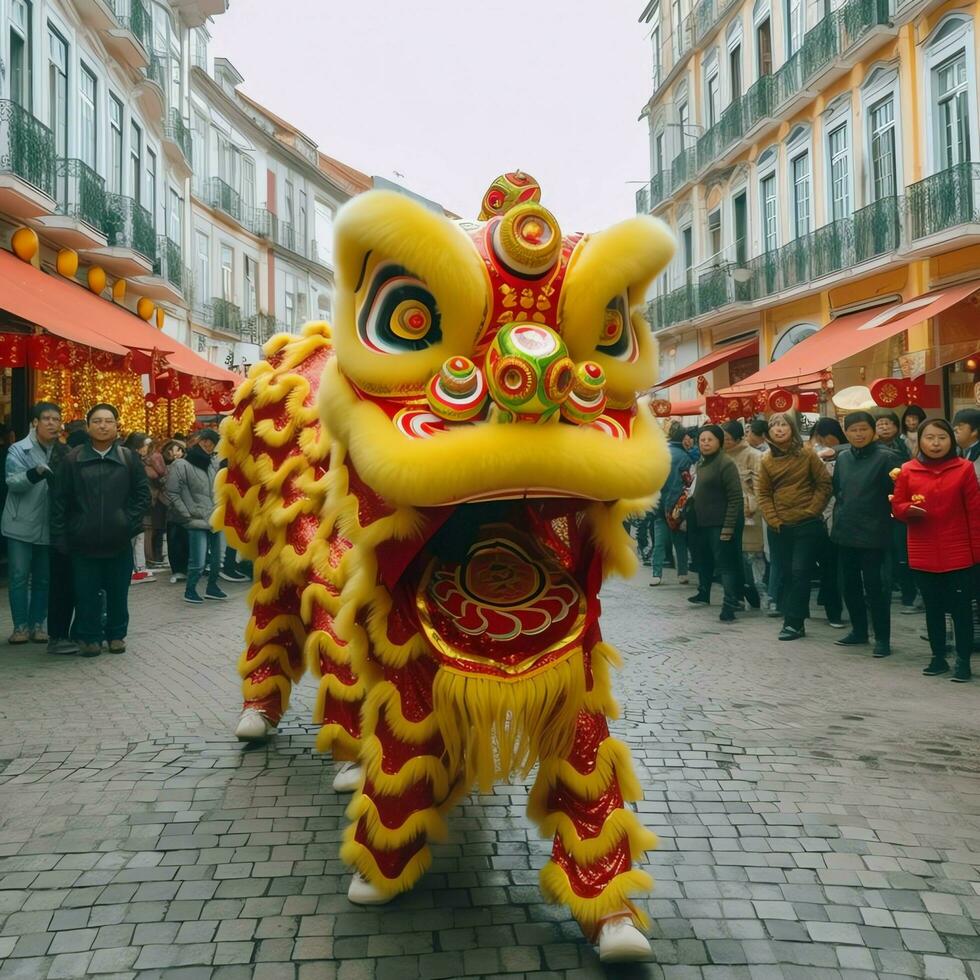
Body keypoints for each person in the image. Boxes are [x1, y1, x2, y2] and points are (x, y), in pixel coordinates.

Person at [50, 404, 150, 657]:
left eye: (108, 421)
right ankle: (90, 637)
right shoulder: (73, 459)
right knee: (86, 593)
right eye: (97, 421)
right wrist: (63, 535)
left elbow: (142, 495)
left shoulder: (129, 458)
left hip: (118, 539)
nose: (103, 426)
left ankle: (116, 635)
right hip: (82, 541)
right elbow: (60, 501)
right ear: (88, 426)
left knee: (118, 592)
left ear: (117, 425)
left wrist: (127, 521)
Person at [892, 419, 980, 682]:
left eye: (942, 437)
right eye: (929, 438)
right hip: (923, 550)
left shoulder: (963, 469)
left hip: (959, 551)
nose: (936, 443)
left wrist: (976, 553)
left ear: (951, 440)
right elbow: (897, 505)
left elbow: (975, 513)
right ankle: (937, 656)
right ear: (920, 441)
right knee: (933, 608)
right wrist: (908, 509)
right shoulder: (908, 470)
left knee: (961, 609)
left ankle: (963, 660)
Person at [757, 412, 832, 641]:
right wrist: (774, 519)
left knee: (801, 572)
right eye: (773, 425)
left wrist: (812, 510)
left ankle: (793, 623)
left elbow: (824, 484)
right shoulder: (767, 460)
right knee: (788, 574)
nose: (778, 429)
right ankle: (795, 618)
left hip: (807, 523)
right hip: (780, 526)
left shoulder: (808, 454)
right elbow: (764, 493)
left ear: (792, 429)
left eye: (783, 425)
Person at [830, 412, 896, 658]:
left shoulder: (887, 458)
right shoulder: (843, 457)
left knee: (876, 587)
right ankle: (859, 631)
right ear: (846, 433)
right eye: (853, 430)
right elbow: (838, 491)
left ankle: (882, 638)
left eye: (863, 429)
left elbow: (896, 494)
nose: (859, 434)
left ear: (873, 431)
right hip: (845, 531)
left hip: (875, 534)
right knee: (849, 585)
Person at [2, 402, 62, 644]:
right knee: (18, 576)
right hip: (20, 523)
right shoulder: (18, 449)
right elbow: (12, 482)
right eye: (46, 418)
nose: (51, 423)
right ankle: (20, 627)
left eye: (55, 419)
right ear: (35, 423)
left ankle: (38, 624)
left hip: (49, 525)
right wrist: (34, 474)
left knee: (43, 578)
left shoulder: (63, 451)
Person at [688, 425, 744, 621]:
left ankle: (729, 604)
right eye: (702, 440)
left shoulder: (725, 463)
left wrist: (728, 527)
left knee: (725, 565)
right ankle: (705, 594)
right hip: (702, 523)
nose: (705, 443)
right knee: (706, 562)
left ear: (719, 441)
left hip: (720, 524)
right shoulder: (702, 463)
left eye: (710, 439)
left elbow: (735, 498)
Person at [165, 428, 227, 604]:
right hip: (196, 519)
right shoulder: (182, 465)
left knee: (217, 560)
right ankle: (190, 589)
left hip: (215, 516)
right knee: (198, 561)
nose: (208, 445)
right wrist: (187, 514)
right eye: (206, 441)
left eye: (212, 443)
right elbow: (172, 492)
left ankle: (212, 587)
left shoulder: (214, 463)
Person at [807, 418, 846, 630]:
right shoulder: (816, 455)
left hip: (841, 516)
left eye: (823, 437)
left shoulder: (844, 454)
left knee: (837, 567)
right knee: (830, 566)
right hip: (821, 516)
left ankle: (835, 607)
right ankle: (833, 610)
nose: (821, 441)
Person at [722, 421, 763, 608]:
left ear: (739, 438)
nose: (724, 442)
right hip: (725, 513)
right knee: (732, 556)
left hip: (749, 515)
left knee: (750, 556)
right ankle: (738, 594)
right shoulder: (719, 456)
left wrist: (751, 505)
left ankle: (756, 592)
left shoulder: (754, 456)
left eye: (728, 439)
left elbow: (759, 487)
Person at [650, 421, 692, 587]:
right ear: (683, 439)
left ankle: (656, 574)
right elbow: (685, 483)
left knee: (659, 542)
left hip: (659, 504)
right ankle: (682, 573)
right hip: (676, 506)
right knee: (679, 541)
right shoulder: (684, 457)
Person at [123, 433, 157, 584]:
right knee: (134, 538)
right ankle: (134, 569)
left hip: (134, 505)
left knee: (138, 537)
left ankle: (138, 568)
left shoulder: (130, 458)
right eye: (144, 445)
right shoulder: (131, 460)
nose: (146, 449)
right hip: (133, 506)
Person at [161, 440, 189, 584]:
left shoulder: (187, 467)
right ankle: (177, 569)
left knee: (184, 540)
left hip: (185, 509)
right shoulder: (166, 467)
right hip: (173, 511)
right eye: (172, 450)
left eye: (179, 450)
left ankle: (184, 569)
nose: (176, 453)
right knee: (174, 540)